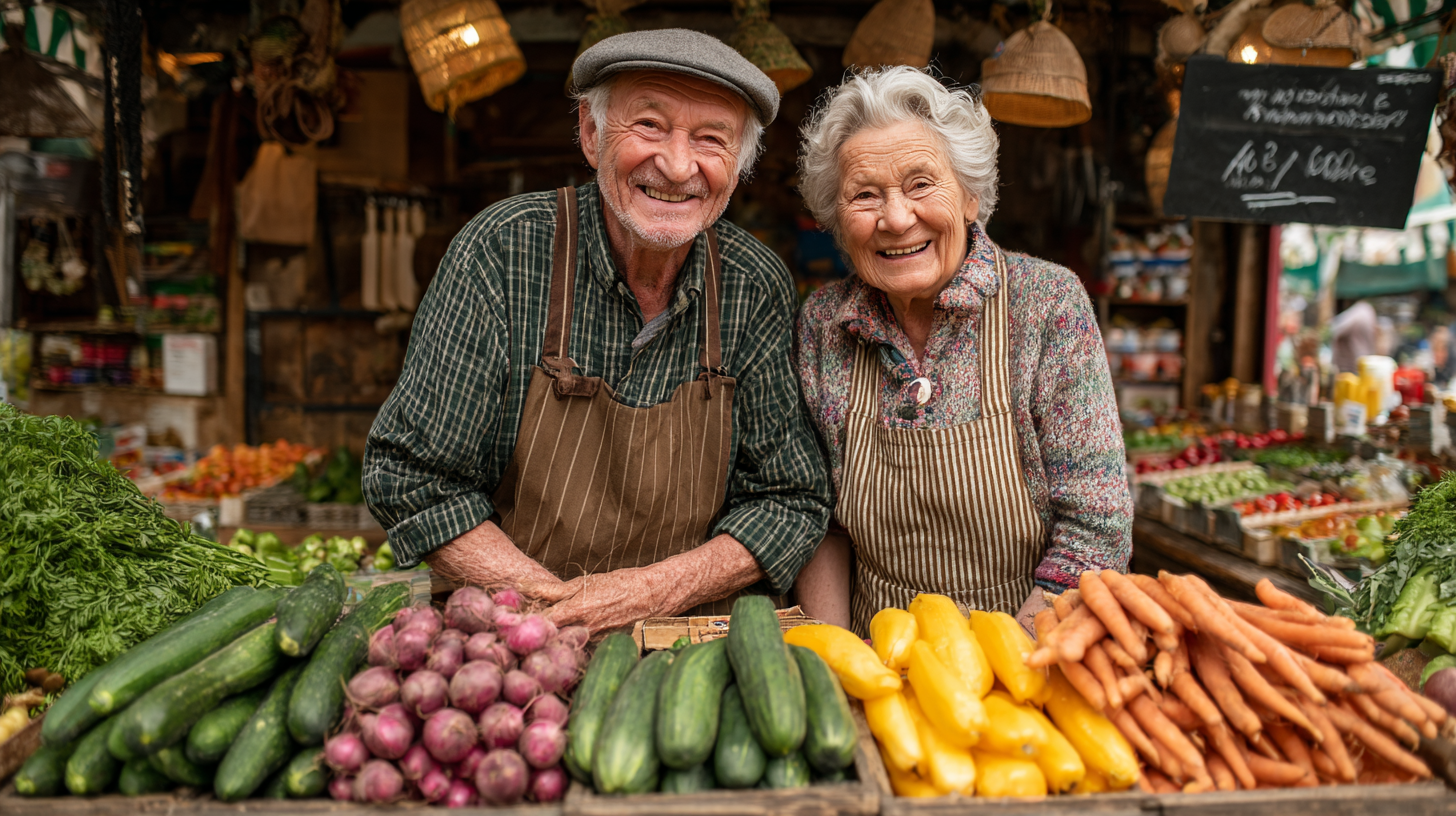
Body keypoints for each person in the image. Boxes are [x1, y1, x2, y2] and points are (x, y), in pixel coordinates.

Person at [363, 30, 832, 633]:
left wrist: (645, 594)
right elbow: (414, 479)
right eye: (650, 126)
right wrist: (553, 609)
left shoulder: (752, 283)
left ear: (738, 166)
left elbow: (788, 500)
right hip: (511, 646)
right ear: (590, 133)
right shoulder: (503, 250)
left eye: (711, 139)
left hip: (689, 648)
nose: (677, 165)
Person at [791, 67, 1132, 635]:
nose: (897, 219)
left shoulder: (1046, 304)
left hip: (1029, 654)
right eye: (865, 195)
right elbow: (819, 519)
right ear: (837, 221)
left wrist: (1004, 674)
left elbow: (1097, 532)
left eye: (921, 184)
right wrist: (835, 660)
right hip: (879, 659)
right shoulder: (825, 323)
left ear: (971, 196)